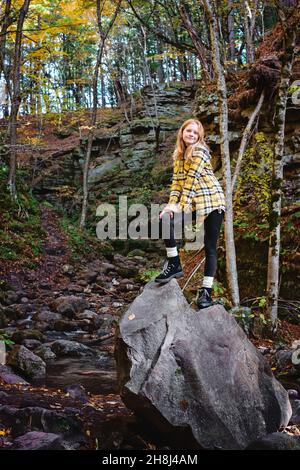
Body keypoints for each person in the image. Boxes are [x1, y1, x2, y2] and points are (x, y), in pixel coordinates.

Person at [154, 118, 226, 309]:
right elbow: (177, 184)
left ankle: (206, 293)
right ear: (182, 132)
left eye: (196, 132)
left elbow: (191, 182)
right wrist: (171, 205)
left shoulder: (200, 152)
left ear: (199, 136)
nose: (192, 135)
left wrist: (181, 206)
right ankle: (174, 264)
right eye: (189, 131)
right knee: (164, 219)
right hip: (194, 203)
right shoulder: (178, 155)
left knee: (210, 246)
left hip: (212, 201)